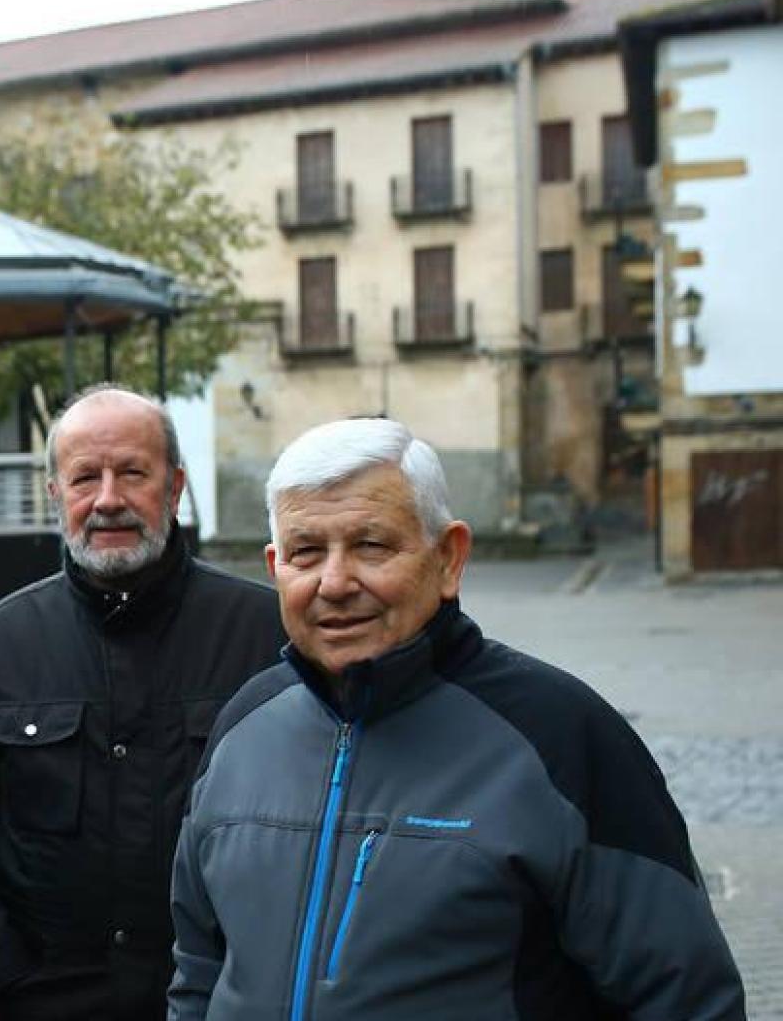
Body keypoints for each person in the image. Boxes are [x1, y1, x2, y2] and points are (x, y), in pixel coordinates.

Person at [168, 417, 746, 1019]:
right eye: (305, 553)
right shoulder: (244, 727)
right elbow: (199, 969)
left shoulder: (561, 737)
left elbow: (686, 997)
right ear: (274, 568)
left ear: (449, 557)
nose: (334, 582)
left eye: (371, 545)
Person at [0, 384, 286, 1019]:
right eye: (84, 478)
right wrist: (1, 972)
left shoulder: (265, 634)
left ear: (175, 488)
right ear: (54, 496)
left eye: (132, 473)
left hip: (221, 1004)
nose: (108, 500)